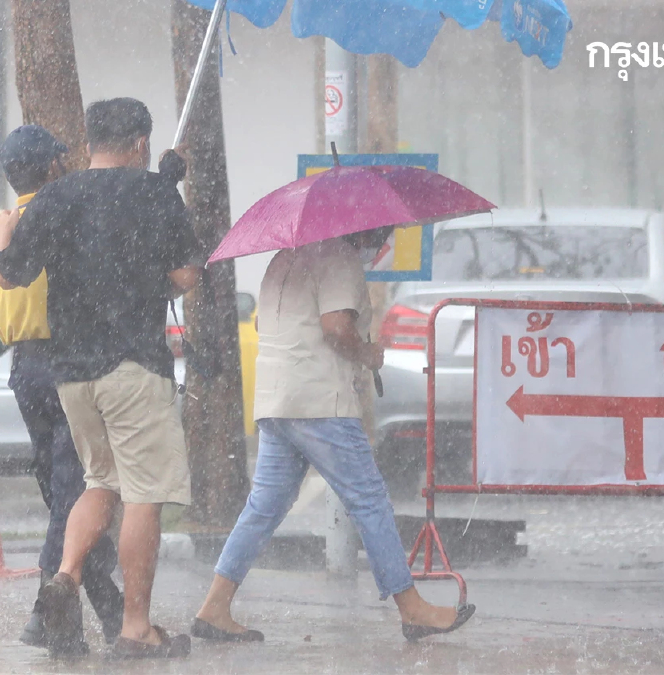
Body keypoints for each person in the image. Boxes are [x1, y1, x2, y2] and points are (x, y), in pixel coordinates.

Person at [190, 227, 476, 644]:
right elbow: (336, 328)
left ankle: (215, 606)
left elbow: (280, 323)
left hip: (278, 401)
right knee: (369, 498)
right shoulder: (339, 257)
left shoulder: (284, 258)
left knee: (265, 506)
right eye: (383, 239)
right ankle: (412, 608)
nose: (383, 248)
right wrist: (368, 353)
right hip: (320, 400)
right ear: (368, 233)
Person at [0, 98, 201, 660]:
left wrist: (3, 234)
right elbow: (186, 274)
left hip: (72, 374)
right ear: (140, 144)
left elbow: (11, 274)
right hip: (133, 368)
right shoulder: (154, 194)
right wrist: (156, 266)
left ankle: (64, 576)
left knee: (99, 483)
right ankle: (136, 629)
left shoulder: (56, 196)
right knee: (144, 495)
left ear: (88, 144)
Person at [0, 124, 124, 649]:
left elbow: (0, 276)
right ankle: (47, 612)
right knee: (74, 492)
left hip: (25, 369)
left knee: (62, 490)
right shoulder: (63, 219)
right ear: (52, 166)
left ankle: (108, 613)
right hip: (68, 362)